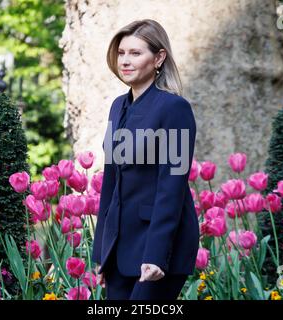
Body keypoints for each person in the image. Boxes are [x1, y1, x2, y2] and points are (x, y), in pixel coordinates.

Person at [91, 19, 199, 300]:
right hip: (119, 248)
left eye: (135, 53)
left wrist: (156, 253)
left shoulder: (174, 108)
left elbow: (172, 187)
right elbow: (111, 183)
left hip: (159, 245)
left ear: (159, 58)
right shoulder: (118, 106)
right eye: (122, 53)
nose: (125, 61)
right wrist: (102, 252)